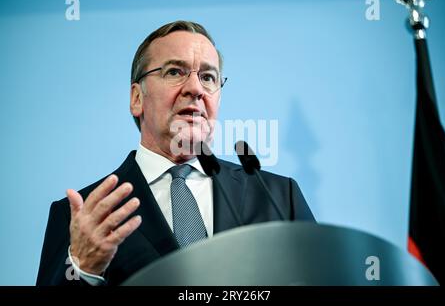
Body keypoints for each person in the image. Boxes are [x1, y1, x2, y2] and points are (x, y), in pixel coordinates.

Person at [36, 20, 315, 286]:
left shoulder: (277, 197)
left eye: (207, 77)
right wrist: (84, 267)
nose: (195, 89)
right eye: (174, 72)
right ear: (137, 98)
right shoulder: (83, 214)